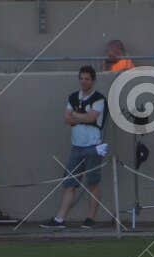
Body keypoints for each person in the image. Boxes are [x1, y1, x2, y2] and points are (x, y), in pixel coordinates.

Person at [42, 64, 104, 229]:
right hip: (76, 146)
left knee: (93, 183)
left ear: (93, 80)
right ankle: (60, 219)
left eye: (87, 79)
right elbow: (67, 119)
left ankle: (91, 218)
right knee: (69, 183)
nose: (84, 82)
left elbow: (92, 118)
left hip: (93, 146)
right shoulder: (73, 97)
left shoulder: (98, 98)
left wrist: (76, 114)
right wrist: (81, 116)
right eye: (81, 78)